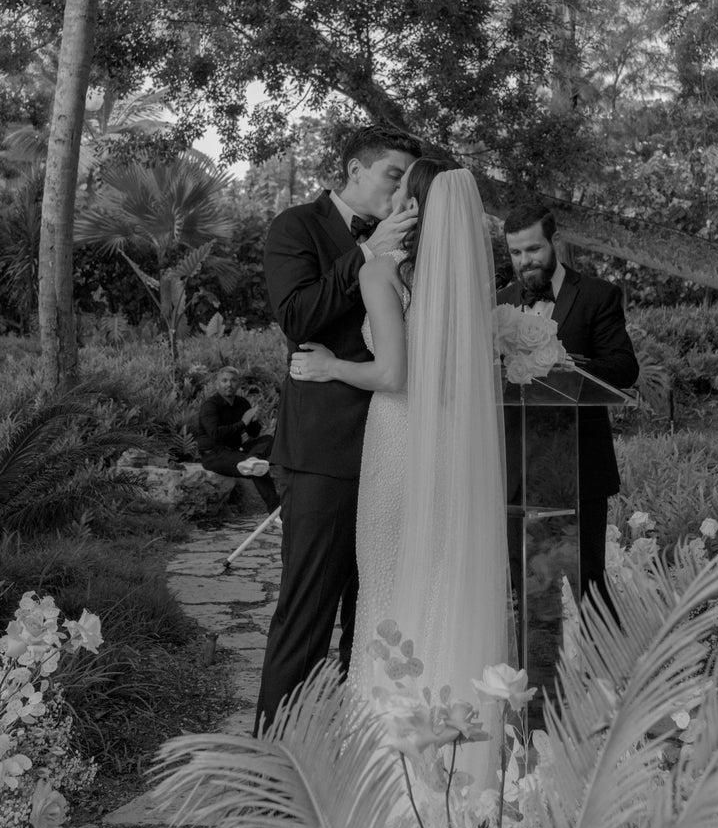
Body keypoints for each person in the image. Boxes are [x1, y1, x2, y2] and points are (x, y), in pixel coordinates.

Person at [290, 160, 510, 787]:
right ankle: (456, 758)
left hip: (397, 444)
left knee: (388, 590)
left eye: (399, 187)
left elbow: (392, 375)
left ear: (413, 208)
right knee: (441, 578)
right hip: (451, 450)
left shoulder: (380, 271)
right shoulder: (463, 283)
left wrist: (331, 366)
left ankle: (387, 774)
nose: (389, 195)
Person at [253, 125, 422, 734]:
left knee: (374, 618)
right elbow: (299, 317)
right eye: (393, 176)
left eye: (409, 181)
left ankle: (355, 755)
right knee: (306, 615)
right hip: (325, 452)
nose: (403, 192)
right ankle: (276, 771)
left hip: (395, 449)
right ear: (355, 170)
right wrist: (366, 253)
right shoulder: (296, 227)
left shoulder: (415, 243)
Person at [497, 199, 639, 608]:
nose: (526, 261)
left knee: (587, 581)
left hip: (579, 465)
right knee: (528, 585)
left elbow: (625, 367)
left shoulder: (597, 295)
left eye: (534, 249)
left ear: (554, 241)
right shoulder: (500, 302)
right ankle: (542, 671)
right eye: (517, 253)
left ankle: (604, 669)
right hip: (519, 467)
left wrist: (573, 365)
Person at [197, 366, 279, 512]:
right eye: (225, 380)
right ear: (217, 384)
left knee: (268, 439)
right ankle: (276, 510)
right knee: (258, 469)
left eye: (233, 380)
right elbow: (215, 434)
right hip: (214, 455)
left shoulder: (242, 403)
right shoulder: (210, 406)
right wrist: (243, 422)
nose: (229, 384)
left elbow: (254, 433)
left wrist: (254, 420)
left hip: (235, 450)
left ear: (238, 383)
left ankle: (252, 458)